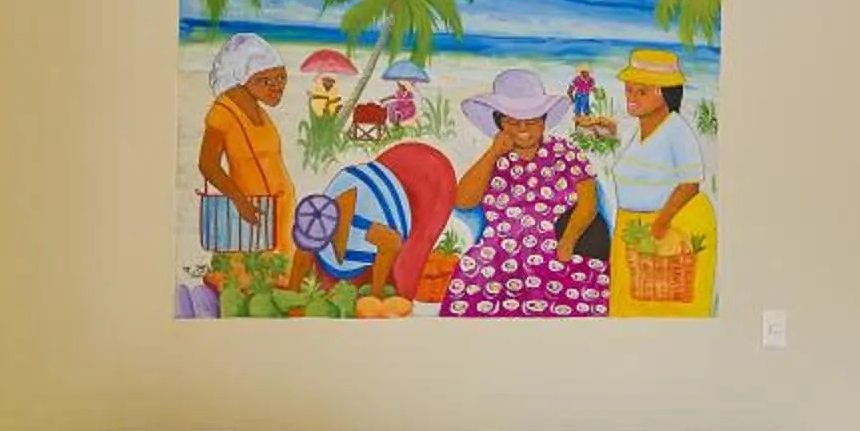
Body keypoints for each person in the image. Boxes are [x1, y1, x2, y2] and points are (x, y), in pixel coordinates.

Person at [441, 68, 608, 317]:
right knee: (473, 292)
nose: (523, 129)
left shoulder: (565, 152)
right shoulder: (495, 158)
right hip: (498, 249)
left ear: (543, 121)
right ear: (499, 123)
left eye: (531, 121)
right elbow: (462, 201)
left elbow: (588, 202)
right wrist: (492, 154)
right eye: (512, 122)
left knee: (576, 297)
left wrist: (567, 242)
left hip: (556, 243)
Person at [607, 47, 717, 318]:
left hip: (664, 228)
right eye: (629, 90)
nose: (631, 98)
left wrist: (659, 226)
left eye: (641, 92)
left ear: (663, 94)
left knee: (660, 305)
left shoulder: (676, 130)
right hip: (634, 229)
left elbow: (690, 184)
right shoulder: (643, 130)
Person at [292, 139, 458, 300]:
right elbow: (303, 254)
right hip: (350, 247)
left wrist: (376, 294)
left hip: (404, 217)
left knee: (401, 285)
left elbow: (392, 243)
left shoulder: (362, 225)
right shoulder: (314, 218)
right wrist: (293, 291)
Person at [196, 32, 294, 255]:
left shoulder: (258, 109)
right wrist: (240, 202)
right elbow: (207, 164)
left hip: (278, 212)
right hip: (253, 214)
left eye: (281, 78)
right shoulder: (223, 112)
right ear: (241, 78)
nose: (277, 87)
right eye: (265, 81)